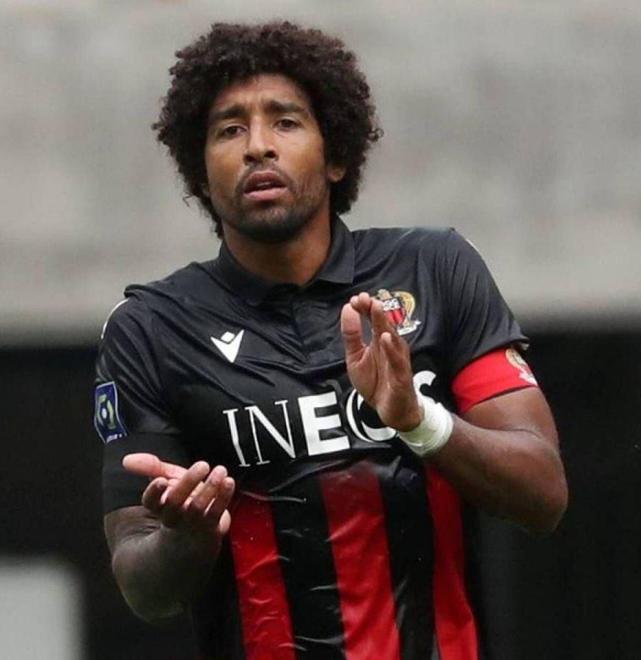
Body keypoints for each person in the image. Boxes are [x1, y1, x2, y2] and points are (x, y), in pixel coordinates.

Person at [94, 21, 568, 660]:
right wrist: (187, 536)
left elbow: (543, 495)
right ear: (200, 174)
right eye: (229, 130)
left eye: (285, 121)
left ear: (336, 155)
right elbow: (143, 588)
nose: (258, 146)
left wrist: (418, 422)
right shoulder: (151, 327)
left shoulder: (436, 269)